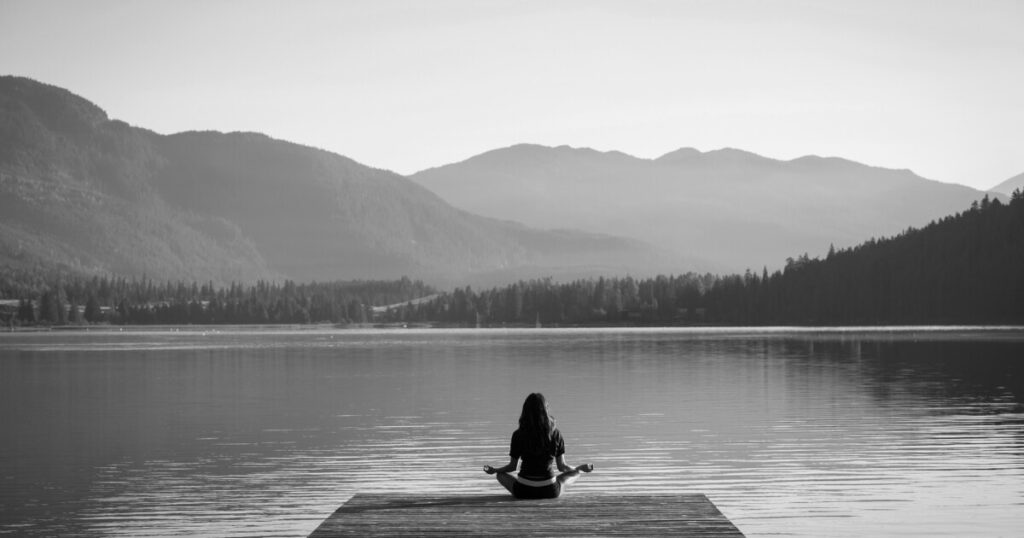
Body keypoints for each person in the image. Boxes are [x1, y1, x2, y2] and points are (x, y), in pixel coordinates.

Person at [483, 392, 594, 499]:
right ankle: (577, 471)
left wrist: (495, 470)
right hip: (550, 491)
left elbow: (512, 467)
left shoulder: (518, 434)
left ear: (525, 411)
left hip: (523, 491)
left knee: (500, 475)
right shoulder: (555, 433)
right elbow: (562, 467)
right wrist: (578, 469)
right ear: (546, 410)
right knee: (575, 473)